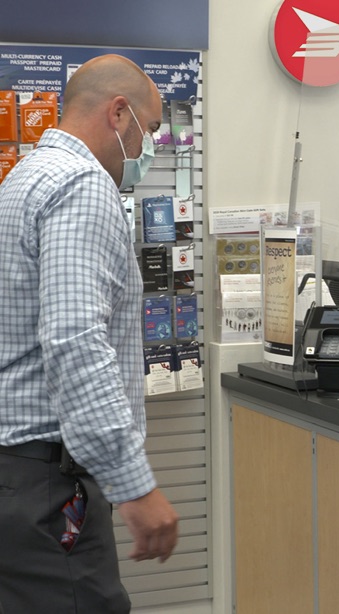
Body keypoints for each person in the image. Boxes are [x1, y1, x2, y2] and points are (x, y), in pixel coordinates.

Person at [0, 55, 179, 613]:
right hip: (48, 485)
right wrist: (134, 485)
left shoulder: (24, 178)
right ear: (118, 114)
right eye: (150, 130)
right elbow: (75, 340)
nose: (151, 147)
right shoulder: (83, 186)